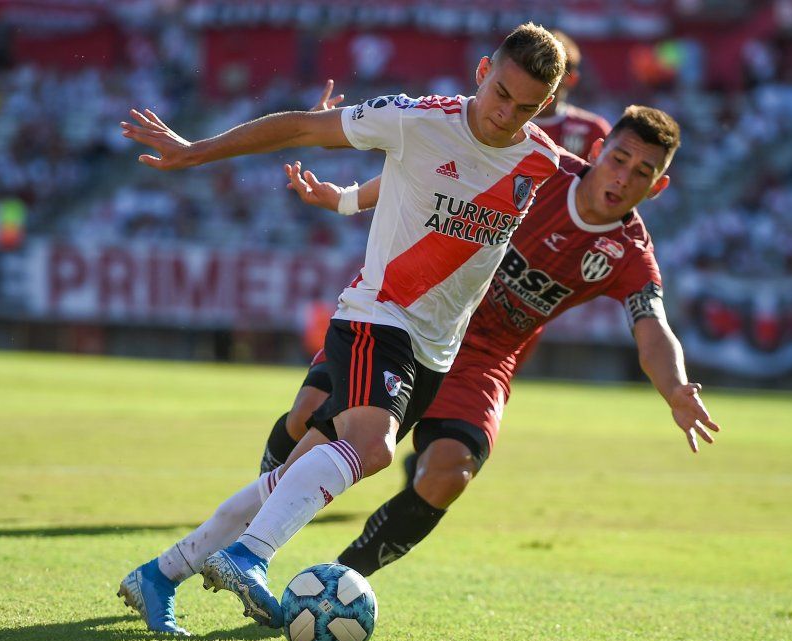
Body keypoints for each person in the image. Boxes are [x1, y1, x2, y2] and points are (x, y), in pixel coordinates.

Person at [117, 22, 566, 635]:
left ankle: (161, 574)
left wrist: (346, 200)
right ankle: (248, 556)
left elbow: (435, 184)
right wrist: (195, 151)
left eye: (527, 107)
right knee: (373, 447)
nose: (506, 115)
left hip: (437, 350)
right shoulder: (416, 117)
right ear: (481, 71)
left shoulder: (539, 156)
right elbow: (301, 125)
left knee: (293, 472)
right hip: (377, 316)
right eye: (502, 95)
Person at [265, 105, 720, 580]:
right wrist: (347, 198)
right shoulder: (542, 167)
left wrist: (675, 388)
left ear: (658, 187)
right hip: (412, 316)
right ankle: (245, 542)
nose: (624, 178)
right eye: (619, 159)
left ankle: (338, 582)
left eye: (642, 172)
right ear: (598, 150)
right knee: (308, 414)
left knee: (450, 469)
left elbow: (653, 327)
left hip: (485, 358)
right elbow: (435, 171)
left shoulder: (630, 252)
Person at [533, 30, 612, 159]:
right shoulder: (503, 122)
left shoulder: (594, 131)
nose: (541, 76)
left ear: (571, 79)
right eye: (535, 68)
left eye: (552, 70)